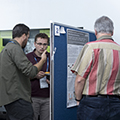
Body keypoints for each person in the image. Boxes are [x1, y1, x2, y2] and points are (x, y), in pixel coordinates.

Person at [71, 16, 120, 120]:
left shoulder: (91, 48)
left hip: (91, 104)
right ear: (112, 32)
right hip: (116, 103)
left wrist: (78, 99)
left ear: (96, 31)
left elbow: (80, 80)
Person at [0, 24, 47, 120]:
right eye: (28, 37)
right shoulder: (15, 49)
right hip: (18, 99)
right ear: (24, 36)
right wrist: (42, 60)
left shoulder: (6, 49)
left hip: (10, 98)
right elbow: (31, 71)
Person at [26, 33, 50, 120]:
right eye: (39, 44)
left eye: (45, 44)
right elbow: (22, 77)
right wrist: (34, 75)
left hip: (48, 96)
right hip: (33, 97)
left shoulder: (51, 57)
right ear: (34, 44)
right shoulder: (27, 57)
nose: (42, 47)